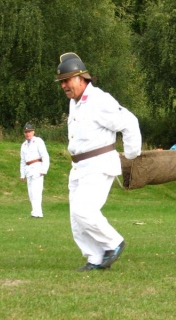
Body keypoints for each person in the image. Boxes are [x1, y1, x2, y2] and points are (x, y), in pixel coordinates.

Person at [55, 52, 142, 272]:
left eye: (67, 80)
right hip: (79, 167)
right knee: (77, 220)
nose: (64, 85)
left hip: (98, 164)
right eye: (61, 81)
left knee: (84, 210)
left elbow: (130, 122)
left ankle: (113, 243)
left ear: (82, 77)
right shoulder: (75, 102)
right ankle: (95, 258)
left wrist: (131, 154)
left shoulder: (99, 100)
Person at [20, 123, 50, 218]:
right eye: (26, 132)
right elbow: (23, 161)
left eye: (29, 131)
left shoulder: (38, 141)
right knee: (31, 193)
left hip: (37, 168)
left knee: (36, 192)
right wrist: (22, 174)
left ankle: (37, 213)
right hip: (28, 170)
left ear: (33, 132)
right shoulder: (24, 145)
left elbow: (45, 156)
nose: (27, 134)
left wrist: (44, 169)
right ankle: (35, 212)